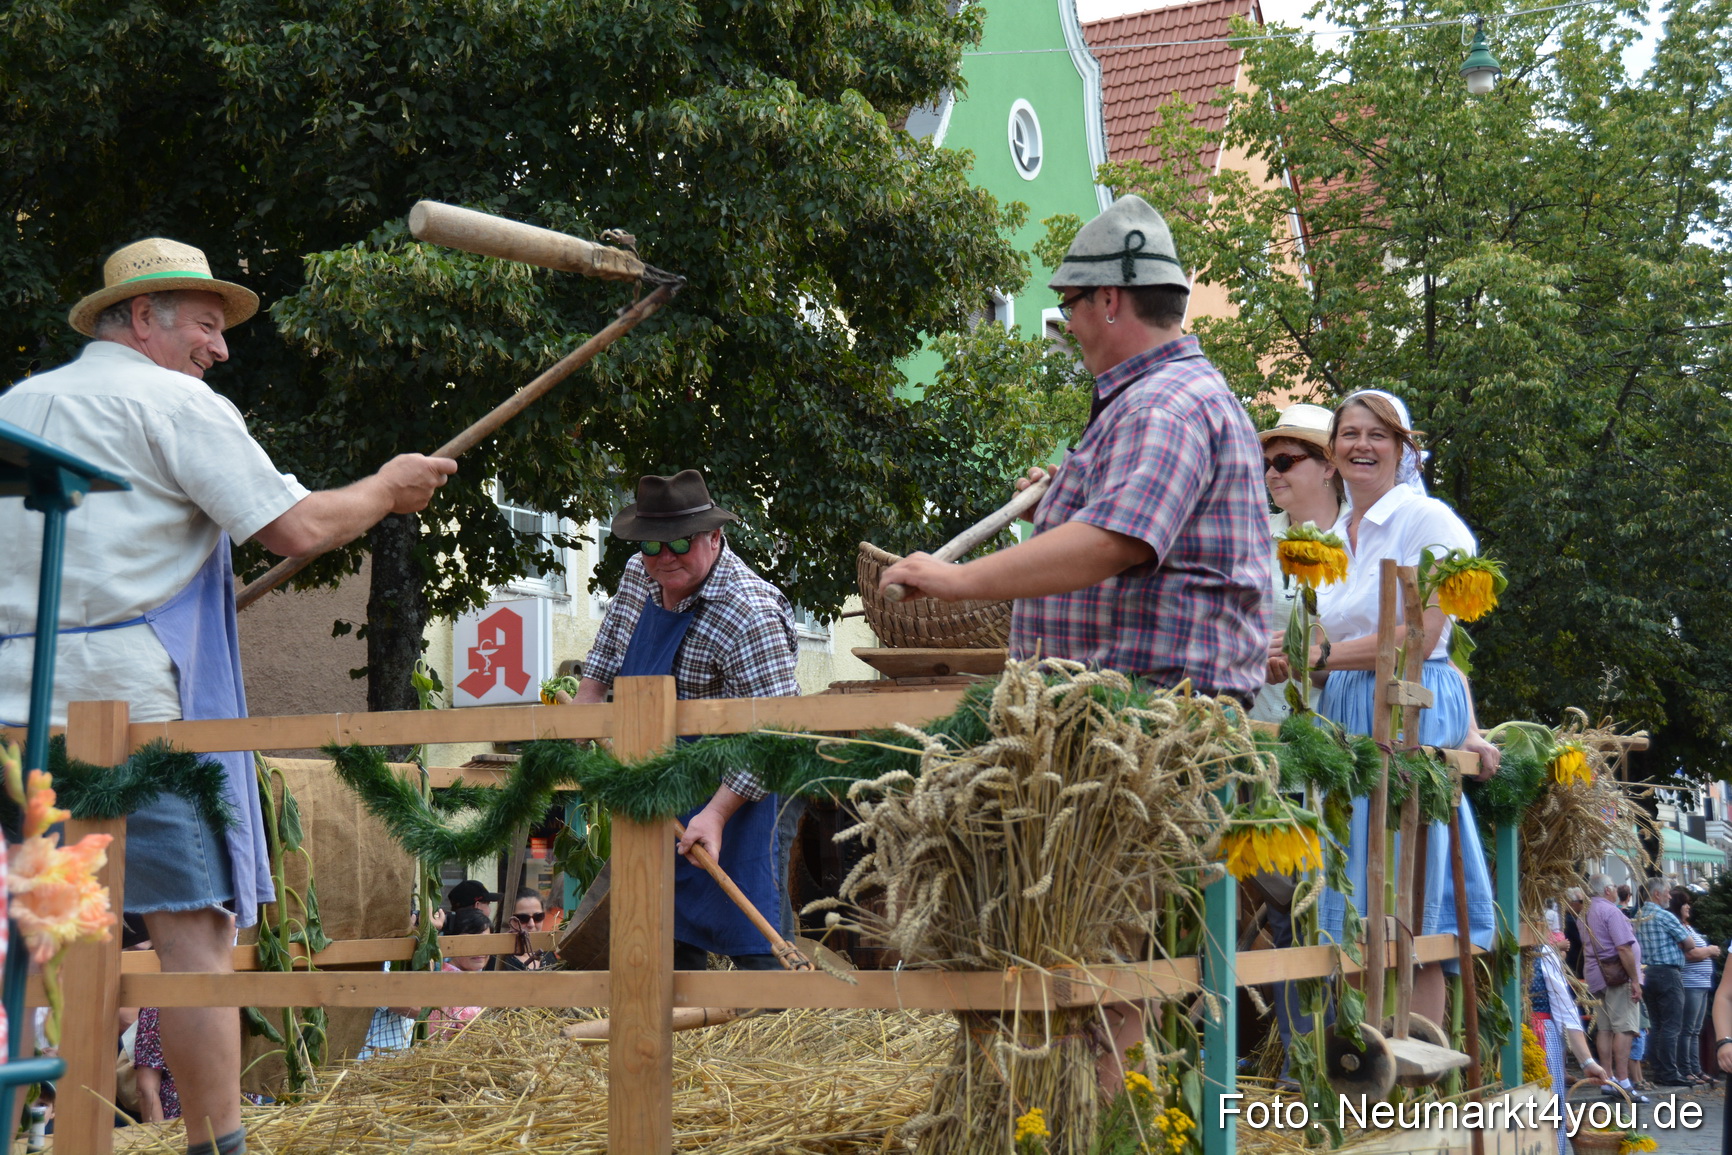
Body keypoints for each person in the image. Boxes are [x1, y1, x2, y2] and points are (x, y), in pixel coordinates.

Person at [0, 238, 455, 1155]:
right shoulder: (173, 402)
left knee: (46, 942)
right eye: (206, 325)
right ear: (142, 317)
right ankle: (219, 1146)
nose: (221, 347)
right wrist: (386, 489)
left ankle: (46, 1137)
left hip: (18, 706)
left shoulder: (14, 405)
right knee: (194, 936)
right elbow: (296, 525)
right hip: (140, 712)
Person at [878, 193, 1269, 704]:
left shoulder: (1162, 405)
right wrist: (1069, 508)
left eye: (1068, 304)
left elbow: (1112, 542)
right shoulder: (1172, 395)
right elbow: (1126, 531)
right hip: (1134, 723)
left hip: (1151, 728)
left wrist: (955, 580)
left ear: (1108, 301)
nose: (1068, 326)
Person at [1310, 389, 1499, 1026]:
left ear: (1402, 448)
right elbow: (1326, 638)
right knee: (1355, 883)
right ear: (1332, 452)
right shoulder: (1334, 534)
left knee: (1405, 886)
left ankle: (1413, 1081)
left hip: (1407, 700)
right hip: (1345, 703)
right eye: (1350, 434)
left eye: (1379, 435)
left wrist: (1319, 656)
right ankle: (1365, 1068)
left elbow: (1422, 633)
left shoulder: (1428, 521)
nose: (1362, 445)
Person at [573, 470, 800, 971]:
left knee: (753, 927)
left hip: (745, 782)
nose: (664, 556)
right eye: (652, 545)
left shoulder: (750, 613)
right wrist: (589, 695)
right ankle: (679, 1037)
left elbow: (777, 737)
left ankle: (765, 1031)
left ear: (716, 537)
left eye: (680, 541)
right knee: (661, 925)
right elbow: (613, 636)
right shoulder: (642, 573)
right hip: (661, 777)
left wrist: (716, 814)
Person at [1251, 402, 1342, 723]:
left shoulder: (1365, 544)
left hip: (1333, 741)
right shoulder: (1250, 536)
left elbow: (1383, 656)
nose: (1271, 473)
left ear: (1329, 466)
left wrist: (1302, 661)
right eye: (1267, 463)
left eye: (1284, 461)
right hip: (1247, 735)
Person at [1531, 929, 1608, 1155]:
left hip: (1537, 1038)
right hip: (1528, 1036)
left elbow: (1566, 1013)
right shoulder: (1542, 953)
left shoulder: (1543, 953)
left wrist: (1587, 1062)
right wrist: (1586, 1062)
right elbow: (1566, 1012)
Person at [1582, 873, 1647, 1101]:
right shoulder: (1611, 911)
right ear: (1608, 890)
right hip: (1617, 979)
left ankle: (1607, 1079)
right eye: (1614, 887)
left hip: (1596, 976)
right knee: (1624, 1028)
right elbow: (1624, 949)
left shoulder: (1585, 912)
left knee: (1606, 1029)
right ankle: (1623, 1081)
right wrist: (1635, 980)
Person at [1633, 874, 1699, 1089]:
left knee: (1657, 1025)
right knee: (1672, 1025)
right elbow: (1689, 944)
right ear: (1657, 894)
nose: (1670, 896)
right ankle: (1670, 1072)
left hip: (1647, 973)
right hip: (1668, 973)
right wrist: (1677, 945)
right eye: (1667, 891)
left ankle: (1660, 1070)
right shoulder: (1665, 916)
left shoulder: (1639, 916)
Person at [1672, 888, 1721, 1085]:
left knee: (1695, 1029)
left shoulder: (1689, 927)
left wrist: (1706, 952)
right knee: (1688, 1028)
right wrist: (1709, 950)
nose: (1688, 907)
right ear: (1678, 906)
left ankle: (1697, 1069)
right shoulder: (1679, 928)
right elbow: (1691, 954)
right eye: (1685, 904)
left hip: (1701, 984)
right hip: (1690, 983)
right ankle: (1687, 1070)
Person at [427, 908, 491, 1040]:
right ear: (452, 943)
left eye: (486, 943)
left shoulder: (473, 979)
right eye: (470, 943)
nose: (480, 951)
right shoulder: (446, 982)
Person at [498, 887, 554, 971]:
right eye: (523, 918)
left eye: (538, 917)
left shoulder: (548, 951)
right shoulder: (497, 958)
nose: (531, 924)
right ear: (507, 919)